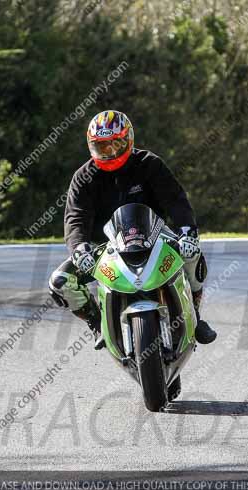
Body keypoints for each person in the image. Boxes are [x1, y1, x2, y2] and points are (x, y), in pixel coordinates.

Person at [48, 110, 217, 349]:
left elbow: (175, 199)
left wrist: (188, 231)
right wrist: (78, 248)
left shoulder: (149, 164)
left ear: (128, 140)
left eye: (114, 145)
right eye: (100, 147)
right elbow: (75, 217)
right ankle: (97, 324)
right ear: (90, 146)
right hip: (106, 247)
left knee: (192, 252)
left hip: (155, 236)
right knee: (60, 281)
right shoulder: (83, 178)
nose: (108, 152)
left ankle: (196, 315)